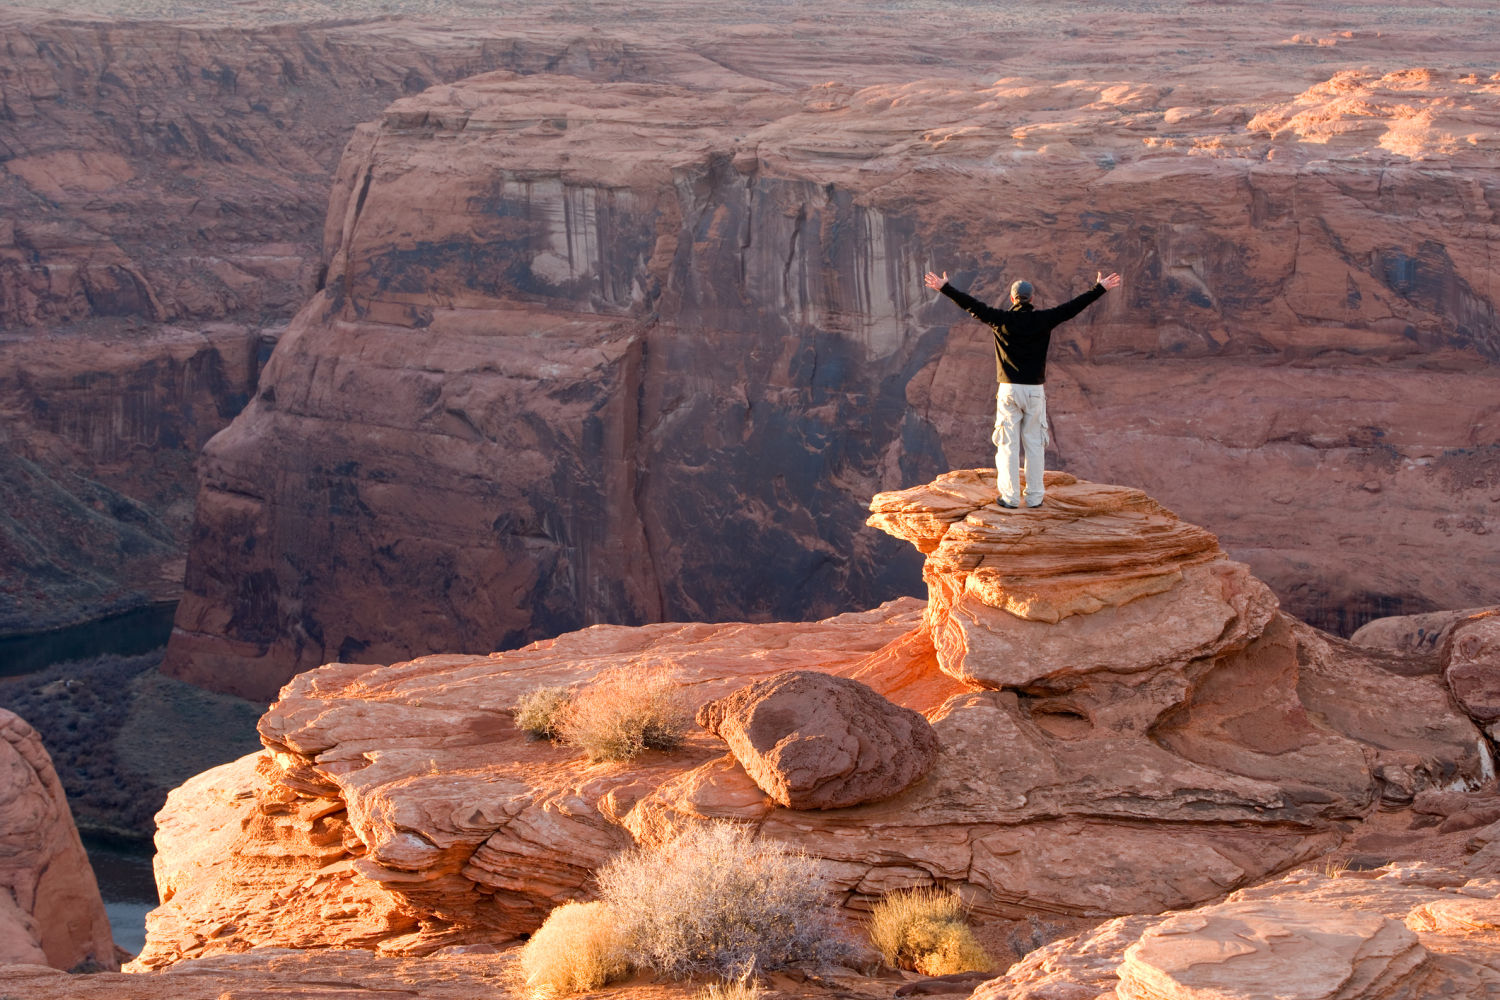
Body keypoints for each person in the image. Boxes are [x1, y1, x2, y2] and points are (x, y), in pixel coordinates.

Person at [924, 268, 1122, 509]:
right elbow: (1072, 308)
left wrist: (944, 288)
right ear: (1032, 299)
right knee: (1035, 445)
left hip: (1008, 390)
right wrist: (1100, 288)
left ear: (1012, 298)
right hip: (1034, 391)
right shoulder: (1044, 319)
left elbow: (971, 305)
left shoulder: (1000, 319)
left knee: (1008, 446)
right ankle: (1035, 497)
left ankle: (1009, 498)